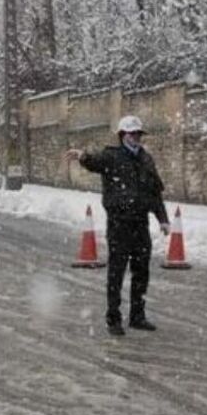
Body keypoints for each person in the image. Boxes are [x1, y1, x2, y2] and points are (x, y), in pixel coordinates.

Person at [64, 115, 171, 336]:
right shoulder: (112, 157)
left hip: (140, 224)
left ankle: (137, 316)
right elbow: (95, 162)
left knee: (141, 272)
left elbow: (154, 193)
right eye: (132, 134)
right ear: (122, 135)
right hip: (119, 225)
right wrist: (83, 157)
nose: (136, 138)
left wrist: (163, 218)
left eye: (139, 134)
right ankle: (114, 318)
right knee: (116, 273)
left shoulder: (146, 159)